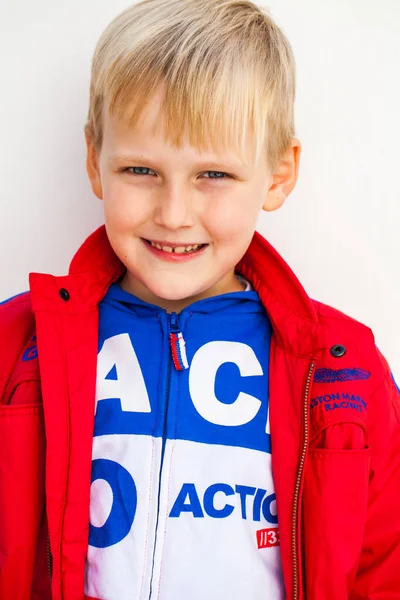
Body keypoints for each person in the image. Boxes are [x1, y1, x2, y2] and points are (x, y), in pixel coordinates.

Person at [1, 0, 399, 598]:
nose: (174, 214)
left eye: (213, 175)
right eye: (141, 169)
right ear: (94, 160)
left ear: (279, 174)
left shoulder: (343, 367)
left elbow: (383, 567)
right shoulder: (17, 344)